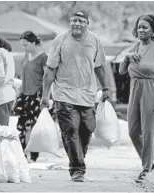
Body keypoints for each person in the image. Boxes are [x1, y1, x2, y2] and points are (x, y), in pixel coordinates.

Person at [40, 10, 110, 182]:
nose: (76, 24)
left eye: (80, 21)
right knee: (70, 130)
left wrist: (106, 87)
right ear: (69, 22)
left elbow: (100, 67)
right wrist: (45, 95)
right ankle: (77, 169)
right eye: (73, 20)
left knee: (87, 130)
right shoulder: (60, 40)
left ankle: (77, 158)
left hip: (87, 94)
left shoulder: (94, 41)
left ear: (87, 23)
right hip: (63, 94)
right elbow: (50, 70)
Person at [119, 14, 154, 183]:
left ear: (153, 30)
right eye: (139, 27)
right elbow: (121, 71)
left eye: (145, 27)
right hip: (135, 88)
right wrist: (127, 57)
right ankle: (149, 163)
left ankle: (146, 169)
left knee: (148, 132)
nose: (141, 30)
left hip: (153, 89)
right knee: (133, 131)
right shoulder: (135, 46)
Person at [13, 31, 48, 162]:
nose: (24, 48)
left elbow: (47, 78)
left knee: (34, 127)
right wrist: (18, 93)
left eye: (26, 45)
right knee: (21, 126)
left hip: (36, 96)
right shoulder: (26, 56)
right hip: (24, 95)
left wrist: (46, 96)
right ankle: (22, 154)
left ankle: (34, 156)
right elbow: (24, 76)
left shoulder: (43, 57)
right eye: (22, 46)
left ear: (34, 43)